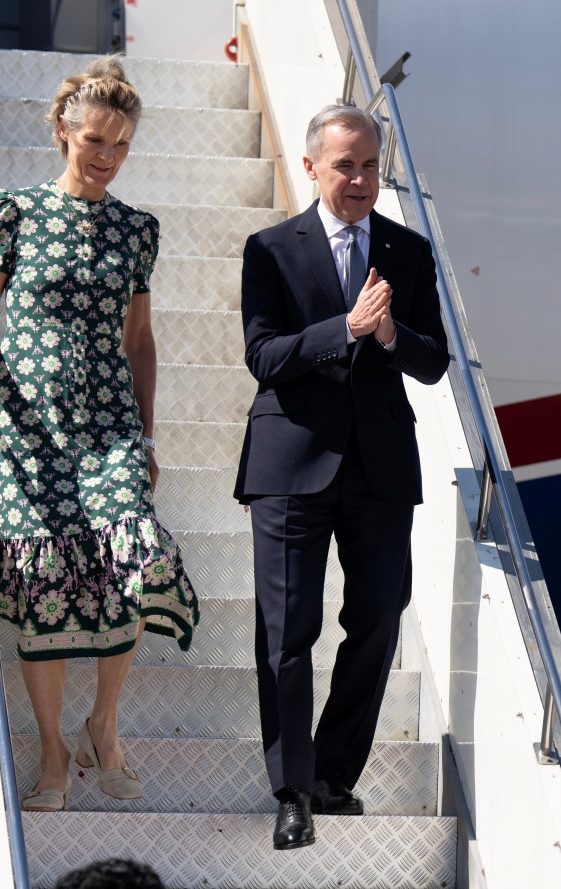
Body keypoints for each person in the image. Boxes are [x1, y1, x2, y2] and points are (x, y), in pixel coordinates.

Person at [0, 55, 198, 812]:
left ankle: (103, 724)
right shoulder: (14, 210)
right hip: (28, 424)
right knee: (45, 585)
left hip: (110, 424)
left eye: (120, 145)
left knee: (132, 559)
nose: (106, 157)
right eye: (94, 140)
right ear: (62, 131)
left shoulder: (136, 229)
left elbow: (141, 341)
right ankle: (55, 753)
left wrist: (147, 436)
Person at [234, 104, 448, 850]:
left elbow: (433, 361)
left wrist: (391, 333)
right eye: (344, 165)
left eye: (369, 165)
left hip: (381, 466)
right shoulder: (271, 249)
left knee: (380, 622)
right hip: (291, 462)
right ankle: (293, 790)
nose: (359, 180)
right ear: (311, 168)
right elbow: (264, 356)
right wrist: (346, 331)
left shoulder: (408, 252)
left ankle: (333, 775)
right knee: (288, 634)